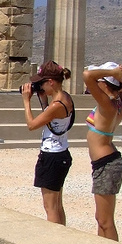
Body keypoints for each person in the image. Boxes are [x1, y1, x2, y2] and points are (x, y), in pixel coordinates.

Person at [21, 61, 75, 225]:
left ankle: (55, 242)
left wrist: (26, 101)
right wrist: (43, 100)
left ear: (50, 82)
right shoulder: (64, 98)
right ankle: (62, 239)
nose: (41, 87)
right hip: (61, 154)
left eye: (42, 83)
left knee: (50, 207)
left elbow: (32, 125)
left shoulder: (57, 105)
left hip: (51, 156)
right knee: (57, 205)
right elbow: (53, 120)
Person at [82, 61, 122, 241]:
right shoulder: (119, 100)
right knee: (101, 219)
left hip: (106, 164)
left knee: (106, 221)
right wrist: (119, 75)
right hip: (106, 162)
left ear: (103, 83)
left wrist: (113, 73)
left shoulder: (107, 103)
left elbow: (87, 76)